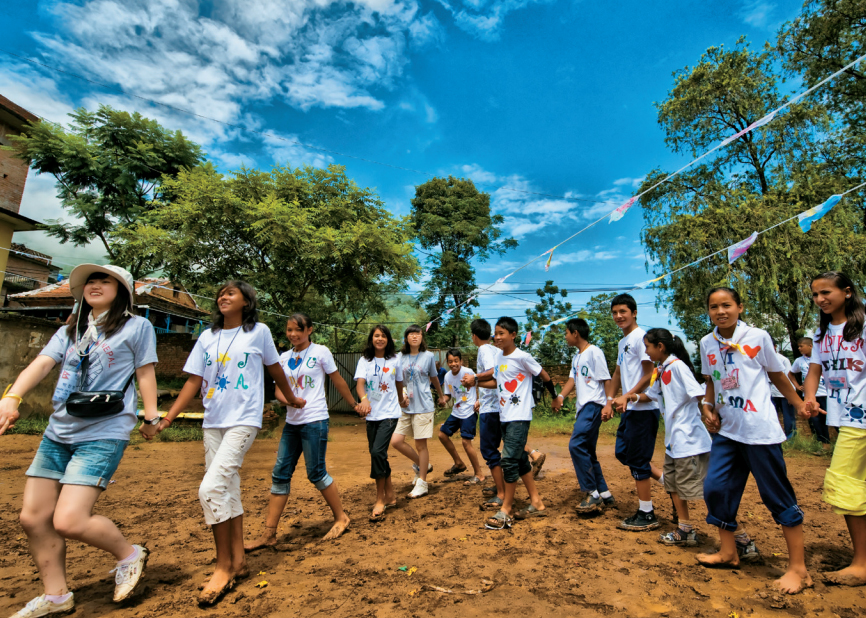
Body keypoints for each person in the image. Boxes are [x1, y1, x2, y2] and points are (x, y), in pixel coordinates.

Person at [0, 264, 158, 618]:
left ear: (123, 291)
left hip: (104, 432)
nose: (96, 285)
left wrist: (151, 417)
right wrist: (12, 397)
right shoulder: (71, 329)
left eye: (106, 280)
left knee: (69, 520)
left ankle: (130, 554)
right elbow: (42, 364)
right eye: (91, 281)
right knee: (34, 518)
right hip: (58, 432)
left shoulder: (137, 326)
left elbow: (145, 371)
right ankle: (56, 596)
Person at [156, 281, 305, 605]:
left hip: (243, 420)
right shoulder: (208, 337)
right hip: (212, 422)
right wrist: (168, 419)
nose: (223, 296)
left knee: (210, 488)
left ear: (246, 302)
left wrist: (290, 398)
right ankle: (238, 561)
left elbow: (275, 369)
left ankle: (222, 567)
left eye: (231, 293)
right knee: (227, 489)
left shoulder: (259, 332)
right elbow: (194, 380)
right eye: (221, 292)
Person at [698, 287, 811, 595]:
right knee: (715, 488)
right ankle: (728, 551)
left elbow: (777, 376)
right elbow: (712, 383)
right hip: (727, 430)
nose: (720, 311)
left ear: (739, 307)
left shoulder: (757, 337)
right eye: (713, 307)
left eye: (726, 305)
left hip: (758, 430)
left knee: (776, 494)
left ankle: (798, 569)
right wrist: (707, 406)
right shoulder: (707, 343)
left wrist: (799, 404)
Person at [244, 314, 356, 552]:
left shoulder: (321, 352)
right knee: (280, 473)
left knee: (316, 473)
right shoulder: (283, 357)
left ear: (309, 330)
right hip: (292, 422)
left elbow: (338, 381)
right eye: (289, 330)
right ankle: (269, 534)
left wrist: (355, 405)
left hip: (315, 420)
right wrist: (291, 401)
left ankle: (341, 518)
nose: (293, 334)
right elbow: (279, 392)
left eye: (298, 330)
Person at [804, 272, 866, 587]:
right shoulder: (822, 334)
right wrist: (811, 397)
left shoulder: (864, 326)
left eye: (826, 292)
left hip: (862, 418)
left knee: (844, 484)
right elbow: (815, 370)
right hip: (842, 418)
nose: (820, 300)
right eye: (815, 295)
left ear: (847, 292)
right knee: (853, 485)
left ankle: (861, 563)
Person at [633, 328, 711, 547]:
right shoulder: (661, 369)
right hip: (674, 441)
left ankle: (735, 532)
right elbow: (652, 395)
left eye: (648, 346)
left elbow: (698, 393)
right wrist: (631, 397)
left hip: (689, 440)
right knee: (674, 486)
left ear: (660, 347)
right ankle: (685, 529)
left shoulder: (677, 367)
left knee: (705, 489)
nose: (646, 351)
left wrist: (708, 415)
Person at [477, 317, 556, 529]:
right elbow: (497, 382)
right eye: (496, 333)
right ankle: (537, 503)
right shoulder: (501, 357)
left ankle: (506, 509)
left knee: (509, 460)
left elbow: (544, 375)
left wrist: (555, 397)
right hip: (504, 415)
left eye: (502, 333)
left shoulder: (523, 357)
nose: (497, 337)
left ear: (513, 335)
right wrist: (475, 381)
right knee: (520, 460)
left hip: (519, 416)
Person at [604, 293, 664, 531]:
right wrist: (610, 400)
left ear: (634, 312)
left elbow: (649, 374)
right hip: (629, 407)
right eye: (615, 312)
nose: (618, 316)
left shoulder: (642, 338)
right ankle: (667, 482)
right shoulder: (623, 342)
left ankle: (647, 513)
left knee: (638, 460)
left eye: (623, 312)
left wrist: (628, 395)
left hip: (644, 406)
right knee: (624, 453)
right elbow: (617, 374)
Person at [552, 318, 615, 513]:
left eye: (566, 333)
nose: (565, 336)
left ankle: (591, 493)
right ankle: (604, 493)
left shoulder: (594, 352)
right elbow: (573, 378)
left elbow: (606, 379)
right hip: (583, 408)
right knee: (587, 449)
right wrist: (561, 396)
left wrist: (608, 404)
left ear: (575, 333)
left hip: (593, 405)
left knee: (576, 445)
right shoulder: (577, 357)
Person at [354, 325, 407, 522]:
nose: (380, 339)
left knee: (377, 453)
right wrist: (364, 400)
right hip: (371, 414)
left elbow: (399, 383)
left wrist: (402, 400)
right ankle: (391, 494)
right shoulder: (364, 360)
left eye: (383, 336)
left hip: (390, 413)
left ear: (388, 339)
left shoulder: (395, 359)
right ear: (371, 339)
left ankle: (380, 500)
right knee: (379, 455)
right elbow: (360, 384)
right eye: (376, 335)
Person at [390, 325, 446, 499]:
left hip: (423, 405)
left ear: (422, 337)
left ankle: (422, 482)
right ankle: (423, 464)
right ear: (406, 338)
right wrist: (401, 395)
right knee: (396, 441)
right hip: (405, 405)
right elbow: (397, 380)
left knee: (421, 445)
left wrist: (442, 396)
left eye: (418, 334)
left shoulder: (428, 356)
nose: (414, 336)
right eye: (411, 334)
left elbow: (434, 377)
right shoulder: (399, 357)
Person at [464, 319, 507, 510]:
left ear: (474, 335)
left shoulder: (484, 349)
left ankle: (501, 493)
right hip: (498, 405)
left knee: (489, 450)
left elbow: (493, 372)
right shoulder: (496, 350)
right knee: (496, 449)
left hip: (492, 408)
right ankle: (500, 486)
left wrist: (474, 378)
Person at [440, 348, 483, 484]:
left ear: (461, 361)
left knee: (466, 442)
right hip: (456, 411)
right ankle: (459, 463)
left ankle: (479, 474)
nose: (453, 364)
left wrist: (479, 400)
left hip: (469, 412)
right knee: (442, 435)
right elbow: (448, 394)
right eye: (450, 361)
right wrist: (443, 400)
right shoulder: (447, 376)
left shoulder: (468, 372)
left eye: (456, 361)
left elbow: (481, 385)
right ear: (447, 363)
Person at [789, 336, 830, 445]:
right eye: (798, 346)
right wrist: (797, 386)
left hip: (825, 394)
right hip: (809, 396)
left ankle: (839, 443)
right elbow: (791, 374)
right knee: (815, 421)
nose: (799, 348)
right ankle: (823, 444)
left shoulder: (823, 357)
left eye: (801, 346)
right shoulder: (799, 361)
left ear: (810, 346)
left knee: (829, 418)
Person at [769, 337, 797, 440]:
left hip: (784, 393)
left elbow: (788, 376)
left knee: (788, 416)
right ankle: (774, 436)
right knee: (772, 416)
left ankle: (791, 437)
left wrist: (791, 395)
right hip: (771, 393)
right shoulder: (762, 358)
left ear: (775, 347)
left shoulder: (783, 359)